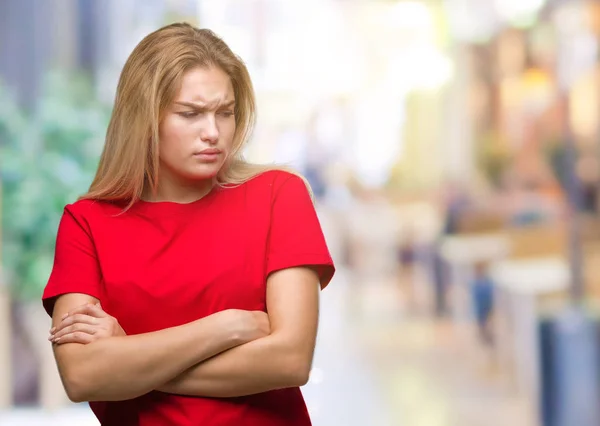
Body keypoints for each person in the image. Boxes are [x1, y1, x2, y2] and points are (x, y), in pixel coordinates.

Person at [42, 22, 335, 426]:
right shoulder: (87, 223)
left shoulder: (279, 196)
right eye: (190, 114)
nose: (213, 132)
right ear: (144, 117)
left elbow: (290, 360)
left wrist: (129, 359)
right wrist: (227, 327)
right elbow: (82, 376)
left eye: (225, 113)